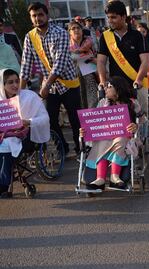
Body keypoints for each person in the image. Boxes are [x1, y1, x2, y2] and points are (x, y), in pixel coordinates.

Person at [20, 2, 82, 156]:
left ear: (47, 15)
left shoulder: (60, 33)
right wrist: (19, 93)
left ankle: (81, 150)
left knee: (75, 120)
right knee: (49, 119)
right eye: (34, 16)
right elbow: (26, 64)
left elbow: (59, 62)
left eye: (40, 15)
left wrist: (46, 85)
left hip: (68, 84)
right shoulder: (30, 37)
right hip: (50, 87)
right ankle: (63, 150)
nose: (37, 19)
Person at [81, 76, 139, 191]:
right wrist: (85, 130)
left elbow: (143, 121)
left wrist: (135, 126)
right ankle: (100, 178)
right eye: (106, 86)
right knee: (102, 141)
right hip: (105, 137)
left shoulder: (132, 104)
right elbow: (94, 121)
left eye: (109, 87)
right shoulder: (103, 103)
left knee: (120, 139)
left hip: (125, 137)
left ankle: (114, 176)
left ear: (118, 90)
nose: (106, 89)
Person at [0, 69, 50, 197]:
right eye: (10, 82)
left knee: (6, 146)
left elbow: (44, 118)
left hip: (26, 136)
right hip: (4, 135)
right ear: (2, 85)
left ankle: (3, 185)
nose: (15, 85)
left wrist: (29, 121)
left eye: (17, 81)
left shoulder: (29, 97)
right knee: (5, 143)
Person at [97, 0, 149, 116]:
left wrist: (139, 79)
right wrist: (102, 81)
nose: (110, 21)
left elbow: (145, 61)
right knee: (116, 121)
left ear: (123, 17)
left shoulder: (137, 36)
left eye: (113, 17)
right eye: (108, 17)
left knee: (141, 119)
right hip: (115, 87)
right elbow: (101, 61)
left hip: (136, 84)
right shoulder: (105, 37)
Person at [68, 21, 98, 109]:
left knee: (92, 98)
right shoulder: (66, 46)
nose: (76, 30)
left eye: (78, 28)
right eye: (73, 28)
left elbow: (97, 57)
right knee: (79, 99)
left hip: (90, 74)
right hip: (74, 77)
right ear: (69, 32)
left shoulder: (89, 42)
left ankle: (93, 118)